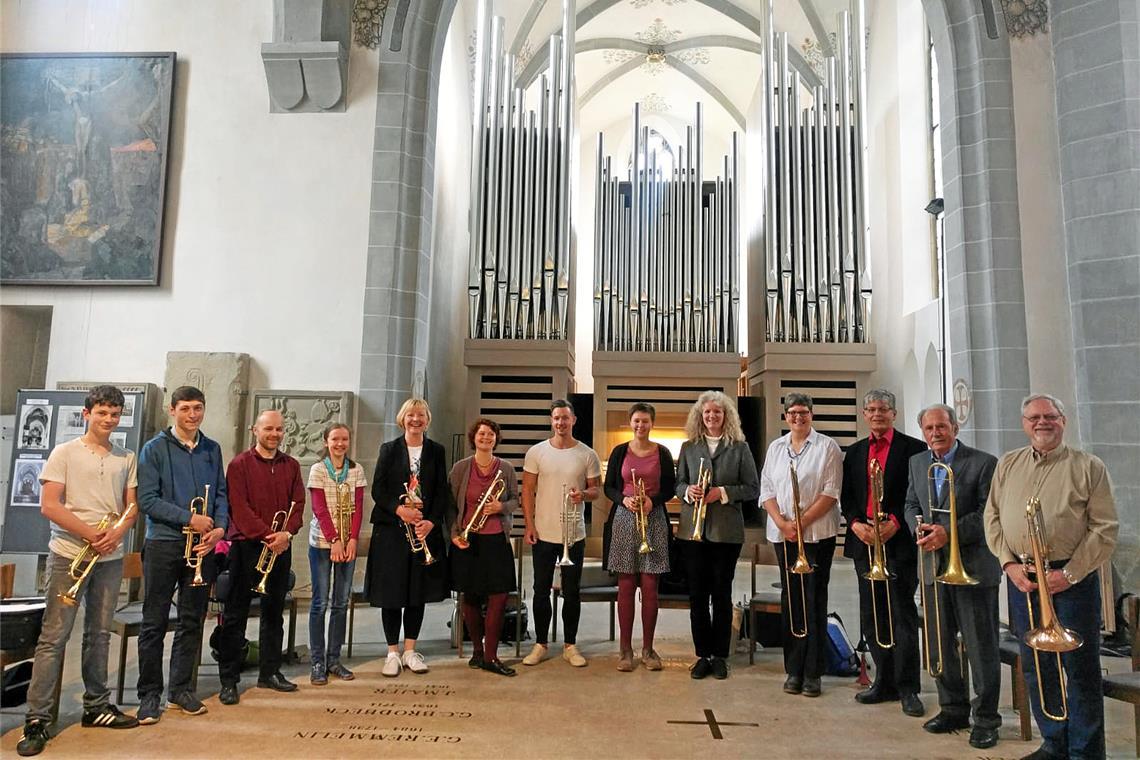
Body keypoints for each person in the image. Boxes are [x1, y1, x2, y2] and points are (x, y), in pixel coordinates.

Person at [984, 394, 1118, 760]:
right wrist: (1009, 565)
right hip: (1023, 579)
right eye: (1033, 417)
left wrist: (1070, 574)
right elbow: (992, 517)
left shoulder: (1088, 466)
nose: (1042, 422)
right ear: (1023, 423)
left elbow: (1104, 528)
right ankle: (1054, 743)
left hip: (1070, 581)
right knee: (1037, 665)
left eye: (1050, 416)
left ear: (1063, 421)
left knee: (1080, 668)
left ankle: (1086, 751)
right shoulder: (1009, 463)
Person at [17, 386, 140, 757]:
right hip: (69, 552)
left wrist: (115, 534)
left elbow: (130, 507)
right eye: (102, 412)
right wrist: (91, 534)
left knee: (100, 635)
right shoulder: (64, 453)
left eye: (115, 414)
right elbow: (49, 505)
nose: (109, 420)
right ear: (87, 414)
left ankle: (96, 707)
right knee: (54, 638)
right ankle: (37, 718)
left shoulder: (126, 456)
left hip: (109, 556)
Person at [904, 403, 1001, 750]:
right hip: (933, 566)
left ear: (955, 427)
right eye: (928, 428)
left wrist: (948, 532)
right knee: (940, 643)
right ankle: (952, 708)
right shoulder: (918, 462)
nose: (935, 434)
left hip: (972, 567)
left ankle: (987, 718)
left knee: (980, 646)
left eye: (941, 427)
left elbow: (987, 513)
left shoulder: (983, 462)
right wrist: (917, 527)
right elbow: (911, 503)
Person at [135, 386, 228, 724]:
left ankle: (180, 690)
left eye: (198, 408)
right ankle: (148, 695)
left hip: (202, 545)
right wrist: (189, 518)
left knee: (192, 621)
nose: (193, 414)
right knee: (154, 622)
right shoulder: (153, 449)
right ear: (172, 410)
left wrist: (219, 528)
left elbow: (220, 493)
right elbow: (147, 500)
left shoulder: (212, 449)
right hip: (164, 543)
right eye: (186, 408)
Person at [840, 389, 927, 717]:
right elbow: (847, 496)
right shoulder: (856, 451)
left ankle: (908, 687)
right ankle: (884, 680)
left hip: (898, 542)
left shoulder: (913, 449)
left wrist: (895, 522)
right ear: (864, 414)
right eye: (872, 409)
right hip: (865, 541)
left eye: (883, 409)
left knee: (901, 614)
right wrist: (855, 524)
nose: (877, 414)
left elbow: (913, 491)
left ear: (893, 413)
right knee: (872, 615)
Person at [216, 410, 305, 704]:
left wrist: (286, 535)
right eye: (269, 428)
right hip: (247, 548)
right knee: (235, 615)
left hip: (281, 547)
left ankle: (270, 673)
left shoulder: (291, 465)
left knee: (273, 614)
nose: (275, 434)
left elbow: (298, 504)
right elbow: (238, 509)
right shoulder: (239, 465)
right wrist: (269, 535)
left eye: (279, 429)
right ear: (256, 430)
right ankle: (229, 679)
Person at [759, 393, 842, 696]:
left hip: (817, 534)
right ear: (785, 417)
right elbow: (766, 487)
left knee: (814, 599)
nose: (798, 417)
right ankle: (793, 669)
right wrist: (782, 523)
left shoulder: (827, 447)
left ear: (811, 415)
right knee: (791, 601)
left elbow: (831, 491)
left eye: (803, 412)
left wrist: (802, 522)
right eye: (792, 413)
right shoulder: (776, 448)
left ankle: (813, 672)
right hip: (784, 535)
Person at [675, 391, 759, 681]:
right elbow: (678, 483)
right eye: (707, 412)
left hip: (726, 533)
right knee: (697, 596)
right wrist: (688, 491)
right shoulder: (688, 447)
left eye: (717, 412)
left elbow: (752, 488)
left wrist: (720, 493)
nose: (712, 417)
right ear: (701, 415)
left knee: (722, 595)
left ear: (727, 416)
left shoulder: (739, 448)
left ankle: (720, 655)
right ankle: (702, 655)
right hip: (692, 533)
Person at [365, 398, 451, 677]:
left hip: (423, 529)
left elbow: (440, 492)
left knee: (417, 592)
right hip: (392, 529)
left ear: (428, 419)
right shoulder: (389, 449)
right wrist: (400, 510)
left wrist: (431, 522)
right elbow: (378, 489)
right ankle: (392, 652)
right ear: (403, 418)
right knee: (392, 593)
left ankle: (411, 650)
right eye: (411, 415)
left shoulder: (436, 451)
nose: (416, 420)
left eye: (421, 415)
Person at [521, 399, 602, 668]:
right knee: (540, 591)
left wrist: (583, 495)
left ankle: (570, 645)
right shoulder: (536, 452)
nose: (560, 423)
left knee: (572, 592)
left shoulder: (587, 454)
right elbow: (527, 491)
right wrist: (529, 525)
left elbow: (595, 491)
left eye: (565, 418)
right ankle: (541, 644)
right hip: (543, 532)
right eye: (556, 418)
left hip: (573, 534)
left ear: (574, 420)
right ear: (551, 420)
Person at [603, 403, 676, 672]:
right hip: (624, 519)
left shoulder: (663, 452)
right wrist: (624, 499)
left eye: (645, 421)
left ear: (651, 423)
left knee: (649, 587)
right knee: (625, 585)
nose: (640, 425)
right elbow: (609, 486)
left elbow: (669, 488)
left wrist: (651, 501)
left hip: (654, 519)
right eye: (636, 421)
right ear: (630, 423)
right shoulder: (620, 451)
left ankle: (648, 648)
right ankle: (625, 650)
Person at [448, 417, 520, 677]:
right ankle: (477, 653)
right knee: (471, 595)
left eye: (490, 435)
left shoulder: (506, 469)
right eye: (482, 434)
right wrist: (454, 534)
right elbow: (451, 505)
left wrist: (500, 507)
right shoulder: (460, 468)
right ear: (473, 438)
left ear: (496, 439)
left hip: (496, 539)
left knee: (499, 596)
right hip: (468, 540)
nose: (486, 438)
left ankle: (491, 655)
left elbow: (515, 500)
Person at [306, 422, 366, 686]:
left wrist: (352, 539)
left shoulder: (356, 470)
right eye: (335, 439)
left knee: (341, 602)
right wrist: (334, 540)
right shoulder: (318, 469)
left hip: (347, 543)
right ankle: (317, 661)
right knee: (320, 603)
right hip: (322, 543)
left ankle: (334, 659)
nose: (340, 444)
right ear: (326, 441)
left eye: (344, 439)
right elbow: (319, 508)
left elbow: (359, 507)